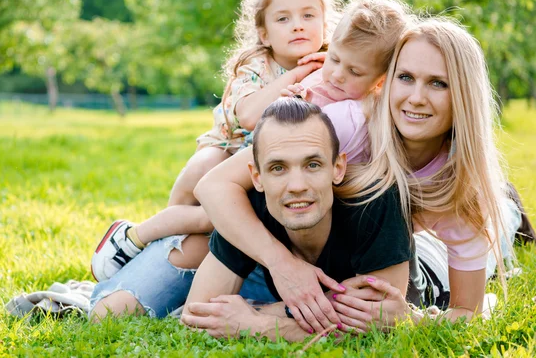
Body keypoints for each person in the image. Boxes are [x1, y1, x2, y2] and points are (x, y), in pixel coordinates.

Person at [88, 0, 412, 321]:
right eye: (335, 60)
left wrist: (264, 317)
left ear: (379, 82)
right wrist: (281, 264)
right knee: (113, 310)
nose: (337, 75)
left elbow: (378, 315)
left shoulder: (354, 120)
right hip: (248, 228)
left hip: (302, 240)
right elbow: (216, 185)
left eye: (354, 72)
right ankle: (137, 240)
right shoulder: (311, 90)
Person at [192, 17, 514, 335]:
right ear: (384, 81)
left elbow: (466, 313)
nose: (416, 97)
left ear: (463, 95)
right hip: (317, 248)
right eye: (405, 77)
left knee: (503, 222)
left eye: (438, 83)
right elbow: (215, 186)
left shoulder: (463, 194)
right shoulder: (347, 124)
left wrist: (412, 319)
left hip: (419, 257)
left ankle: (512, 212)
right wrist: (285, 266)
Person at [90, 0, 339, 282]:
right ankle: (141, 240)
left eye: (308, 15)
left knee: (216, 217)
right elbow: (249, 117)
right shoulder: (256, 67)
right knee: (192, 184)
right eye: (283, 19)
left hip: (269, 163)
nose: (298, 25)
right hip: (228, 146)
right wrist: (297, 74)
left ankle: (152, 239)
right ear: (263, 33)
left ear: (325, 23)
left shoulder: (331, 64)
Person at [181, 97, 412, 341]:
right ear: (257, 177)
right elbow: (197, 318)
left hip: (426, 269)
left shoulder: (376, 201)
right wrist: (329, 307)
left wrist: (256, 322)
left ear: (338, 168)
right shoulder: (245, 209)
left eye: (312, 165)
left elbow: (376, 328)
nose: (297, 186)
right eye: (278, 168)